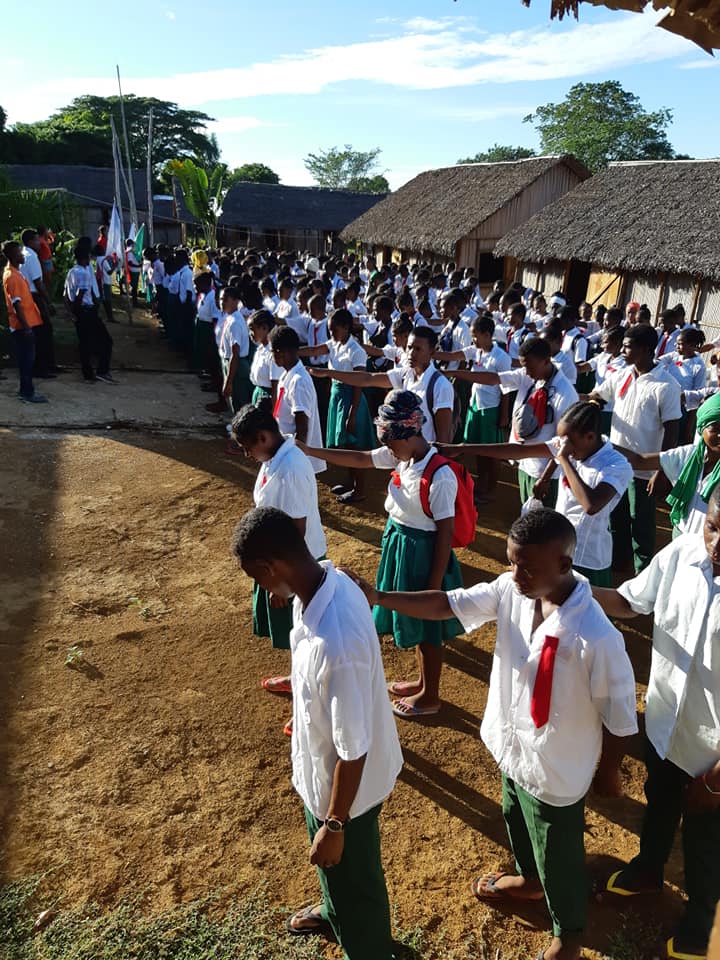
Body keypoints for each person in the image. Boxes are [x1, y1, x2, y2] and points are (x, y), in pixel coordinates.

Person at [345, 507, 638, 960]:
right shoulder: (511, 590)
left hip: (559, 766)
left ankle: (569, 933)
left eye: (528, 567)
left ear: (564, 564)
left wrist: (610, 770)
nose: (516, 575)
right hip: (513, 743)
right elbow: (447, 604)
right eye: (512, 562)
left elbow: (619, 714)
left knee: (558, 851)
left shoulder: (596, 635)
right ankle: (529, 879)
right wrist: (379, 596)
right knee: (513, 814)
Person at [231, 506, 402, 960]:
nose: (261, 589)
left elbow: (354, 749)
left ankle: (369, 948)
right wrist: (285, 591)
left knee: (355, 880)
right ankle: (334, 908)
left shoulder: (337, 643)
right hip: (321, 778)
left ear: (271, 567)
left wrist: (335, 824)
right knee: (334, 871)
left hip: (346, 798)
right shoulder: (327, 580)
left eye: (258, 578)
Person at [592, 489, 720, 960]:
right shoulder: (682, 553)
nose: (717, 544)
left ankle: (702, 930)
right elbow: (631, 602)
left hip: (713, 754)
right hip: (667, 724)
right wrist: (572, 589)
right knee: (659, 804)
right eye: (713, 527)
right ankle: (648, 871)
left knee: (707, 842)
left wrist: (716, 778)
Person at [300, 390, 464, 719]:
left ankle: (430, 695)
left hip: (423, 555)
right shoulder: (403, 457)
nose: (387, 450)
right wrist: (310, 451)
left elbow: (445, 534)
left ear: (410, 433)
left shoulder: (440, 475)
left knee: (428, 629)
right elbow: (361, 458)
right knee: (413, 622)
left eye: (390, 443)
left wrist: (433, 586)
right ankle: (422, 682)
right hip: (401, 547)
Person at [444, 401, 632, 585]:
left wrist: (564, 459)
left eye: (570, 443)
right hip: (559, 547)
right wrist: (461, 448)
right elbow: (519, 451)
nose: (564, 447)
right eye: (562, 442)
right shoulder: (572, 445)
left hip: (587, 558)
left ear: (590, 437)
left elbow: (591, 505)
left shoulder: (615, 465)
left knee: (582, 603)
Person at [230, 407, 327, 735]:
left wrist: (281, 583)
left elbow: (296, 531)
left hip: (292, 568)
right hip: (277, 564)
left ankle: (307, 705)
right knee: (294, 634)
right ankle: (296, 677)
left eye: (247, 447)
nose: (247, 454)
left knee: (305, 636)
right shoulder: (275, 458)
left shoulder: (291, 468)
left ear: (263, 437)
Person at [589, 323, 681, 572]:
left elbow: (672, 431)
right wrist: (590, 404)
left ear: (646, 349)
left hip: (644, 471)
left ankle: (643, 571)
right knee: (615, 517)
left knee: (640, 522)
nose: (622, 351)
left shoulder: (666, 385)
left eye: (628, 347)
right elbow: (598, 396)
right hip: (615, 463)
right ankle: (619, 563)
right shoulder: (623, 374)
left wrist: (660, 470)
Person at [450, 337, 578, 506]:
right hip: (525, 465)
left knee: (542, 517)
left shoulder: (565, 393)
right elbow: (493, 378)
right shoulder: (528, 376)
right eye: (524, 367)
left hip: (545, 473)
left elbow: (564, 443)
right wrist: (453, 373)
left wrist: (545, 478)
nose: (526, 372)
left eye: (530, 367)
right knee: (527, 510)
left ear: (546, 361)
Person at [310, 327, 455, 444]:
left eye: (418, 349)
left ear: (432, 351)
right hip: (406, 456)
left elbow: (443, 440)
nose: (411, 353)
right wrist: (329, 373)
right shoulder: (405, 375)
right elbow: (367, 379)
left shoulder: (440, 385)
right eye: (409, 347)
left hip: (427, 459)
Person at [615, 393, 720, 538]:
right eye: (715, 429)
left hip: (712, 544)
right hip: (680, 536)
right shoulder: (688, 455)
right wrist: (601, 445)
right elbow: (639, 461)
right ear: (702, 429)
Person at [299, 308, 375, 504]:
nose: (331, 334)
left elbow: (358, 383)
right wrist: (293, 351)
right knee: (346, 444)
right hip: (338, 397)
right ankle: (351, 482)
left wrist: (352, 412)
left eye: (334, 330)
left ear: (346, 327)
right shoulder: (335, 344)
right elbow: (314, 350)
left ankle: (360, 489)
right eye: (330, 330)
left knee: (355, 445)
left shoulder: (356, 351)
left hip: (351, 400)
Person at [434, 313, 511, 502]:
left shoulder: (501, 357)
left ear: (487, 335)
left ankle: (491, 490)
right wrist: (430, 352)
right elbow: (452, 355)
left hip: (491, 409)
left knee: (492, 452)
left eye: (475, 336)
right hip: (475, 406)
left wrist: (503, 415)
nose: (473, 340)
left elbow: (506, 390)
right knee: (476, 448)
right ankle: (481, 485)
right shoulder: (476, 351)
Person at [268, 325, 325, 474]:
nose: (271, 356)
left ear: (281, 353)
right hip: (284, 447)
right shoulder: (286, 375)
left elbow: (302, 428)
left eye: (272, 351)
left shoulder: (299, 381)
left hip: (293, 455)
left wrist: (295, 460)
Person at [1, 240, 47, 403]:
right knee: (27, 360)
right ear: (13, 255)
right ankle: (27, 393)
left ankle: (26, 391)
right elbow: (17, 305)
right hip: (22, 326)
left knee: (27, 359)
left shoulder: (15, 273)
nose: (22, 255)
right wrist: (26, 328)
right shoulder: (12, 277)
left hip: (26, 323)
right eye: (19, 252)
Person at [63, 244, 115, 383]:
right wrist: (76, 311)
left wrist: (70, 312)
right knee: (106, 341)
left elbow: (66, 294)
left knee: (84, 343)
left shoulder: (71, 272)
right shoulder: (84, 273)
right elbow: (80, 295)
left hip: (79, 311)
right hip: (86, 310)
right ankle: (102, 371)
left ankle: (88, 374)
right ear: (85, 258)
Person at [20, 228, 57, 377]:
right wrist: (49, 302)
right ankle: (43, 367)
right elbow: (38, 282)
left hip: (26, 296)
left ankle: (47, 365)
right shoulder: (32, 256)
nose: (39, 243)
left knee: (40, 331)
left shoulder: (23, 254)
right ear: (30, 242)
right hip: (34, 296)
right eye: (36, 240)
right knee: (44, 331)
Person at [248, 309, 279, 405]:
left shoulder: (273, 352)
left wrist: (273, 408)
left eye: (252, 329)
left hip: (267, 398)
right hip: (258, 393)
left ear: (265, 328)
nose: (250, 333)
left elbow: (275, 385)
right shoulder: (260, 349)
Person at [125, 239, 141, 308]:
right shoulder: (130, 252)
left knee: (134, 287)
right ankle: (134, 302)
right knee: (134, 287)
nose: (134, 245)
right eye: (133, 244)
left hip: (135, 271)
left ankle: (134, 301)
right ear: (131, 244)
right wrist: (138, 266)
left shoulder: (132, 251)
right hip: (134, 271)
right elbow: (130, 263)